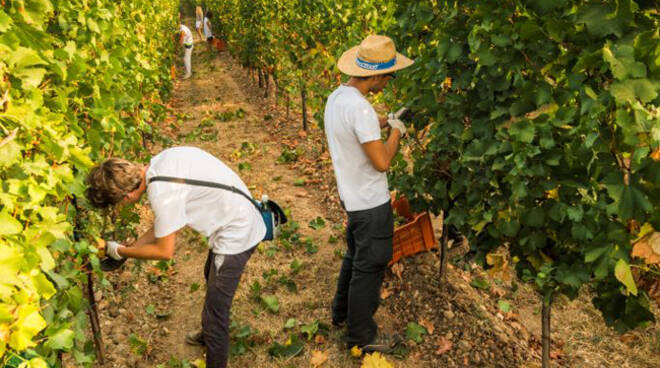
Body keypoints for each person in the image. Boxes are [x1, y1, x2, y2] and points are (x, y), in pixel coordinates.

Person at [85, 146, 266, 368]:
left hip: (238, 231)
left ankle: (213, 341)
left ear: (128, 195)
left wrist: (120, 251)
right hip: (236, 212)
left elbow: (164, 251)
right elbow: (164, 225)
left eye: (119, 203)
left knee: (215, 315)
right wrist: (127, 249)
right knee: (210, 273)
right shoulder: (160, 162)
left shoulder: (162, 193)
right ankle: (208, 334)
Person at [324, 35, 413, 354]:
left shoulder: (337, 98)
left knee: (355, 257)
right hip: (371, 203)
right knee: (370, 265)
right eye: (389, 76)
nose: (389, 82)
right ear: (375, 76)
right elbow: (382, 162)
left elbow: (364, 124)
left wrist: (388, 120)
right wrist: (398, 133)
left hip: (352, 198)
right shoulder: (359, 109)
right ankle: (362, 336)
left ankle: (341, 313)